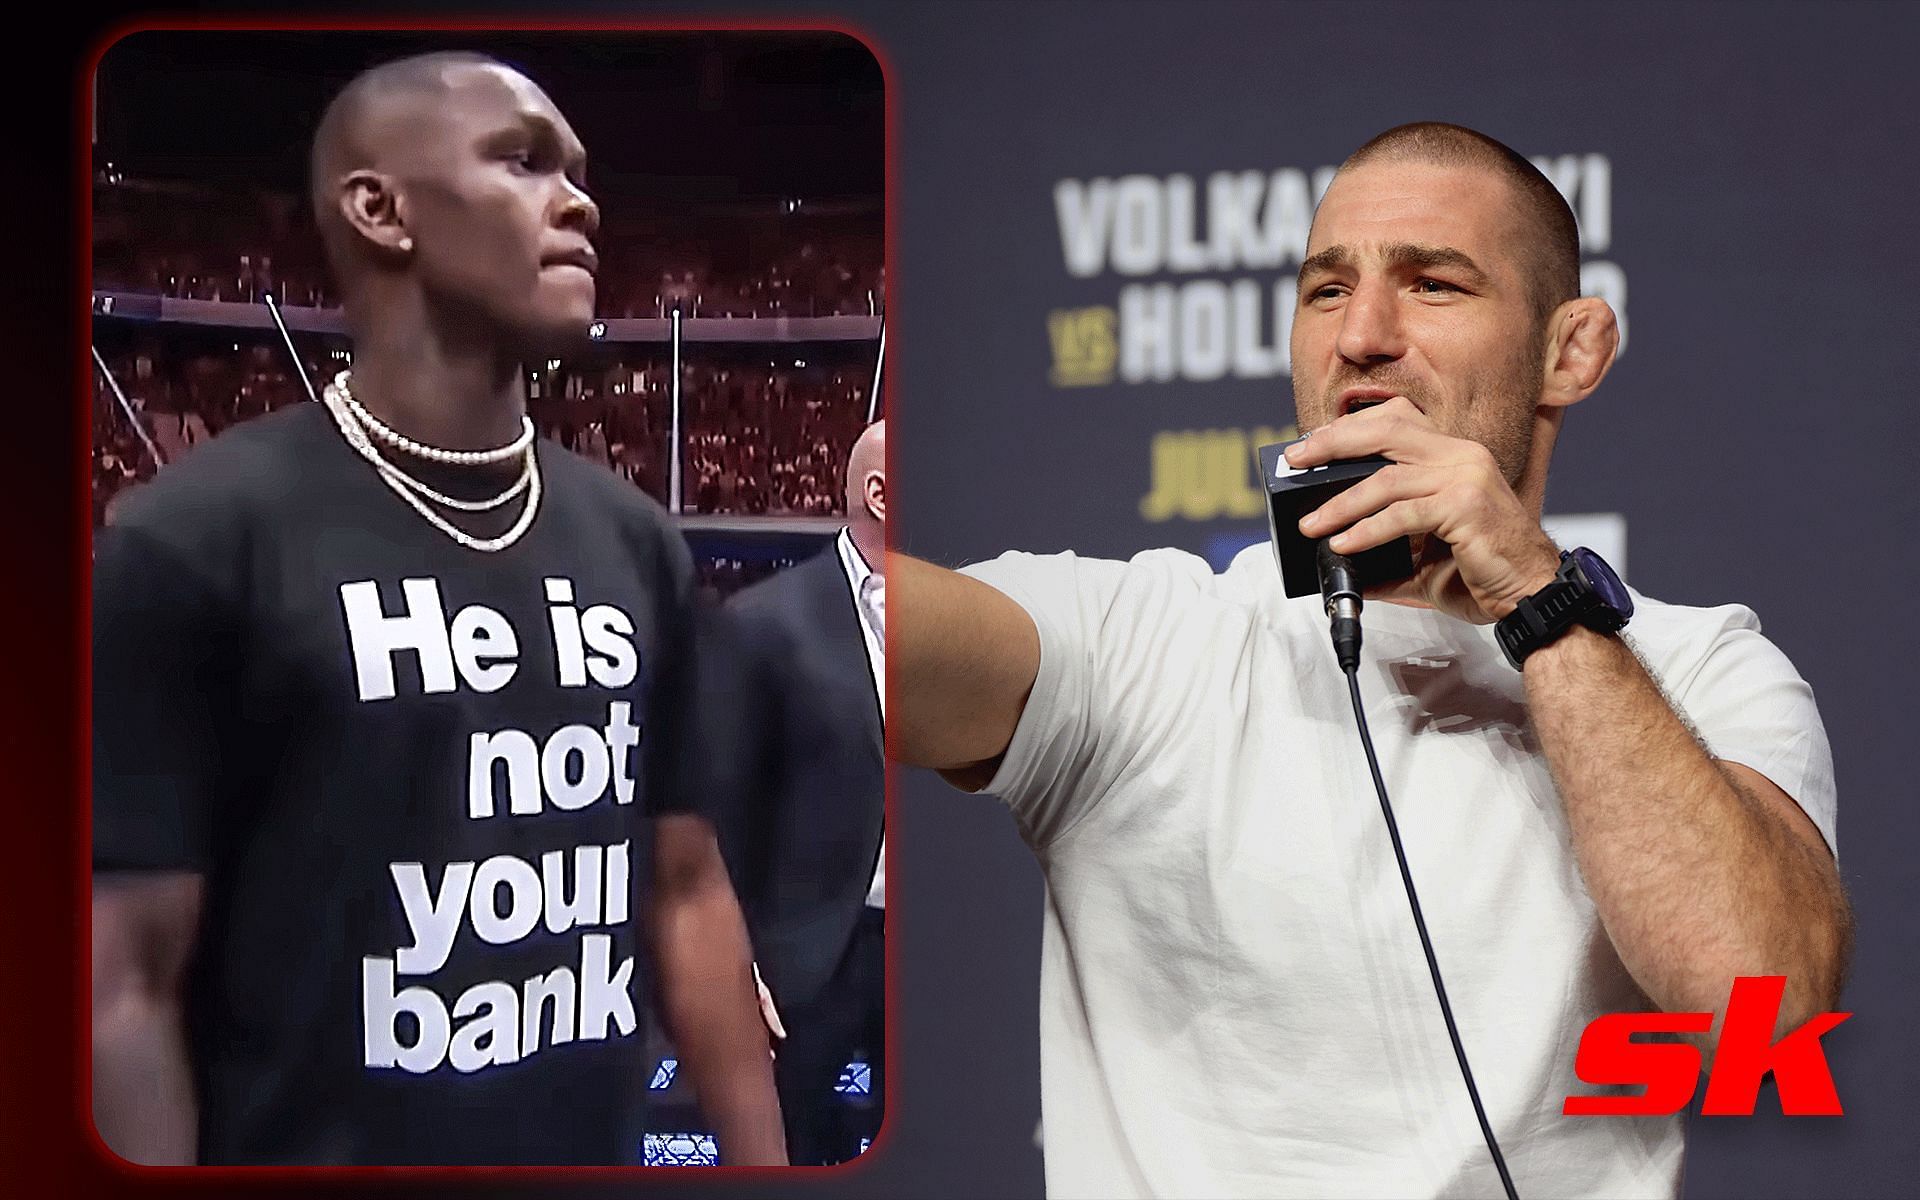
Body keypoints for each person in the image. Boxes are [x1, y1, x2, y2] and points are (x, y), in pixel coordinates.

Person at [891, 123, 1851, 1199]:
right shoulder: (1144, 636)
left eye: (1435, 285)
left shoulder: (1702, 669)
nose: (1363, 335)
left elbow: (1760, 1009)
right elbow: (860, 636)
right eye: (1324, 291)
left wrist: (1537, 597)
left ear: (1570, 351)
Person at [90, 52, 784, 1166]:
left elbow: (687, 888)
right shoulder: (195, 538)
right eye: (525, 160)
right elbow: (122, 983)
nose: (582, 199)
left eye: (580, 170)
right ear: (381, 209)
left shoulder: (635, 539)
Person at [723, 420, 887, 1164]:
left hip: (942, 958)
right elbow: (723, 810)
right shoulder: (765, 623)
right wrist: (739, 961)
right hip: (811, 956)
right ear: (879, 494)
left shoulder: (970, 607)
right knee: (802, 1152)